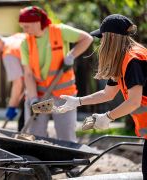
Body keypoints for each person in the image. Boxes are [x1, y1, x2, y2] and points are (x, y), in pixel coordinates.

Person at [57, 14, 147, 178]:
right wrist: (77, 101)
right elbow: (108, 93)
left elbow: (134, 102)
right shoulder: (123, 59)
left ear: (111, 37)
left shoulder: (133, 60)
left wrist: (107, 117)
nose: (101, 42)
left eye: (102, 37)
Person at [18, 6, 93, 141]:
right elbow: (28, 74)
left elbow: (87, 39)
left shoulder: (59, 31)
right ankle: (40, 161)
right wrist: (34, 99)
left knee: (66, 136)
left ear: (37, 22)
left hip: (63, 95)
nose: (24, 30)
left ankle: (67, 162)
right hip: (39, 95)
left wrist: (71, 55)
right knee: (35, 136)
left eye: (26, 26)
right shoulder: (25, 43)